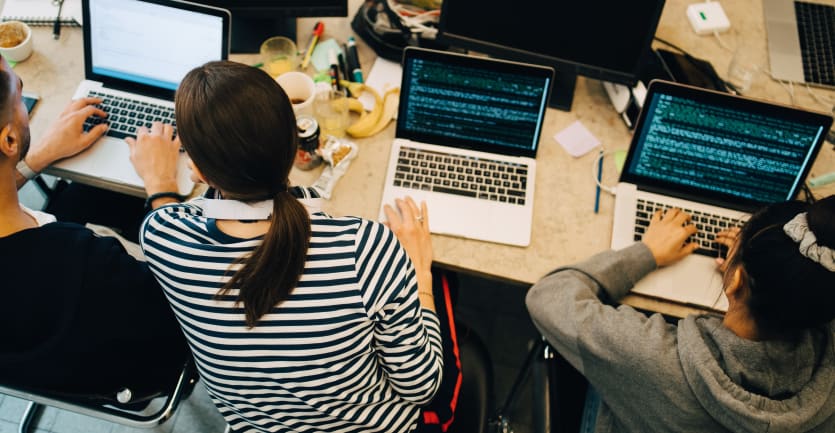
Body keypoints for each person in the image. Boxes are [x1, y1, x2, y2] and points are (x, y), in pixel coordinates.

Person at [138, 60, 443, 433]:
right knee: (448, 289)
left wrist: (158, 183)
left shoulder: (161, 238)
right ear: (295, 142)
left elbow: (169, 219)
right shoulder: (366, 249)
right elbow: (422, 387)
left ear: (197, 171)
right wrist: (420, 273)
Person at [526, 197, 835, 432]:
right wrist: (767, 268)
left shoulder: (649, 357)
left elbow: (548, 296)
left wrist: (646, 252)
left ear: (737, 281)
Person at [0, 55, 190, 402]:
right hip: (141, 368)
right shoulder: (85, 263)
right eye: (20, 93)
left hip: (27, 363)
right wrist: (162, 185)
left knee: (79, 196)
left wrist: (36, 157)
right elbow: (186, 293)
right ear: (8, 141)